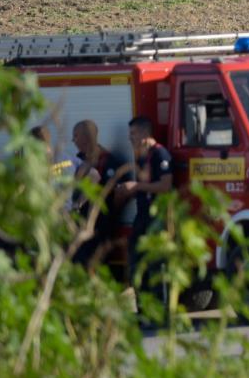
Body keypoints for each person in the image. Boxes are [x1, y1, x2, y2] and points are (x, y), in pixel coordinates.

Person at [118, 116, 173, 301]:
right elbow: (144, 186)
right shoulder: (142, 156)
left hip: (156, 218)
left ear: (144, 133)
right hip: (142, 216)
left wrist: (137, 186)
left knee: (155, 266)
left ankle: (158, 311)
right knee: (136, 264)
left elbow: (165, 185)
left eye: (133, 134)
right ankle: (142, 309)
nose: (130, 138)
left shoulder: (160, 154)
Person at [70, 119, 127, 267]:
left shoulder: (109, 161)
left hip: (98, 227)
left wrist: (108, 219)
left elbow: (118, 195)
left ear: (86, 137)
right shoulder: (79, 160)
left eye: (75, 136)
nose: (73, 140)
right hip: (79, 225)